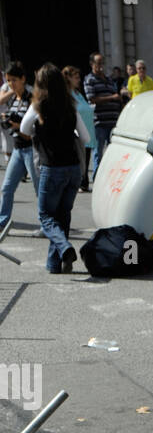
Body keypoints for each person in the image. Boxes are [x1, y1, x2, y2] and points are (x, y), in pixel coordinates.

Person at [19, 62, 89, 274]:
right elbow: (85, 137)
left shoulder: (38, 105)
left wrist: (41, 134)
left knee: (46, 216)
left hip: (52, 168)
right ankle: (56, 264)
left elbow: (23, 127)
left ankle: (65, 248)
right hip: (74, 169)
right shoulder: (70, 105)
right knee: (62, 215)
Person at [0, 61, 39, 242]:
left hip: (31, 149)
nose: (11, 84)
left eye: (14, 80)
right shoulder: (12, 99)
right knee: (7, 188)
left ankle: (46, 224)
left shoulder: (32, 98)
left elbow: (35, 127)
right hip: (17, 149)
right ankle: (2, 221)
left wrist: (18, 125)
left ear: (23, 79)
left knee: (39, 189)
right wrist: (7, 120)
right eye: (8, 81)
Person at [83, 53, 122, 176]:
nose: (101, 66)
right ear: (92, 64)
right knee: (98, 154)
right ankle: (96, 178)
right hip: (99, 122)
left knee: (114, 153)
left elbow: (115, 95)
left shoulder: (109, 80)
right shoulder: (90, 79)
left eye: (102, 62)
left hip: (113, 122)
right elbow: (92, 98)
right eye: (98, 63)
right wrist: (112, 97)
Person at [62, 66, 96, 191]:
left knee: (85, 159)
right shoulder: (67, 95)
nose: (79, 80)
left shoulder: (78, 93)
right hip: (77, 134)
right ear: (68, 78)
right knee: (79, 160)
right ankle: (78, 182)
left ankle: (84, 182)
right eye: (76, 77)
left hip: (87, 131)